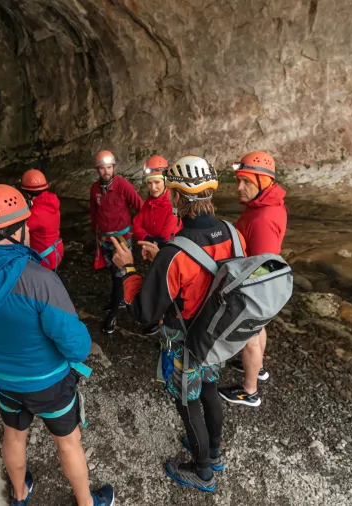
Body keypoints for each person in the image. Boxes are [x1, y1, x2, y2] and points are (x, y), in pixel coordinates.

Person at [0, 184, 115, 506]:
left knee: (13, 435)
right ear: (15, 231)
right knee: (68, 442)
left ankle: (20, 494)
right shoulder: (39, 279)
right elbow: (77, 347)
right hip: (48, 382)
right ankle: (86, 502)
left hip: (2, 381)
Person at [110, 155, 247, 493]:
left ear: (175, 197)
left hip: (185, 342)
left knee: (188, 402)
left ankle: (202, 472)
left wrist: (128, 269)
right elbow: (211, 272)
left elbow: (143, 312)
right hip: (216, 336)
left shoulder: (175, 252)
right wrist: (163, 262)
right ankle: (213, 453)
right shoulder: (232, 233)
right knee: (211, 391)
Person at [218, 151, 288, 407]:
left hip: (256, 286)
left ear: (263, 181)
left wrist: (240, 291)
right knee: (259, 328)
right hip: (266, 285)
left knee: (247, 335)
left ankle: (249, 391)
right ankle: (257, 367)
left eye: (246, 181)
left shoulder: (263, 218)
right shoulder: (269, 205)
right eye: (239, 180)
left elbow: (260, 264)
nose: (239, 187)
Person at [89, 149, 143, 334]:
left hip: (121, 239)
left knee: (120, 274)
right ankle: (116, 299)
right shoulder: (95, 189)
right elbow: (94, 212)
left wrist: (139, 231)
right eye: (102, 168)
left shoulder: (122, 185)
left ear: (114, 168)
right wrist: (95, 232)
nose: (106, 172)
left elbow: (139, 206)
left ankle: (113, 314)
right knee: (113, 272)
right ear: (98, 170)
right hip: (104, 238)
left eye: (109, 168)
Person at [132, 155, 181, 335]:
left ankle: (165, 323)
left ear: (165, 181)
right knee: (157, 286)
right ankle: (159, 320)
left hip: (167, 255)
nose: (153, 188)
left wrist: (147, 240)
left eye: (157, 183)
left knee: (167, 289)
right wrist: (148, 239)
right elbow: (136, 224)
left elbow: (166, 236)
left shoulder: (172, 205)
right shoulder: (150, 202)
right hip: (154, 252)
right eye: (149, 183)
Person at [20, 169, 64, 271]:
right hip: (56, 249)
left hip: (45, 257)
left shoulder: (36, 213)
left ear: (28, 194)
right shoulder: (51, 202)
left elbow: (20, 232)